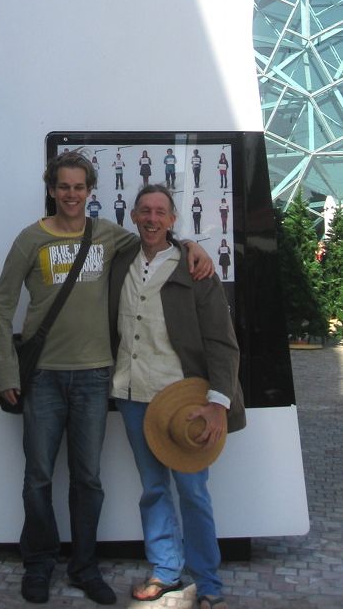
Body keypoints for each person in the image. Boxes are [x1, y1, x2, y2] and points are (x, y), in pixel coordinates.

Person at [0, 152, 213, 606]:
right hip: (44, 378)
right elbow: (1, 304)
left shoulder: (110, 236)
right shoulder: (30, 239)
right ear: (51, 189)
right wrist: (8, 370)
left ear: (90, 191)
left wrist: (192, 244)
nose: (71, 194)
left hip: (94, 377)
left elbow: (157, 236)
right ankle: (39, 564)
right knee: (38, 477)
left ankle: (84, 567)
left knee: (88, 479)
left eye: (79, 187)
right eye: (64, 186)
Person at [109, 185, 245, 609]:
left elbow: (222, 342)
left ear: (172, 220)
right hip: (132, 394)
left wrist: (218, 403)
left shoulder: (194, 268)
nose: (152, 219)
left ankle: (208, 584)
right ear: (134, 216)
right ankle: (166, 570)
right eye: (145, 211)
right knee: (153, 488)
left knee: (193, 493)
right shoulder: (120, 260)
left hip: (183, 400)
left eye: (160, 212)